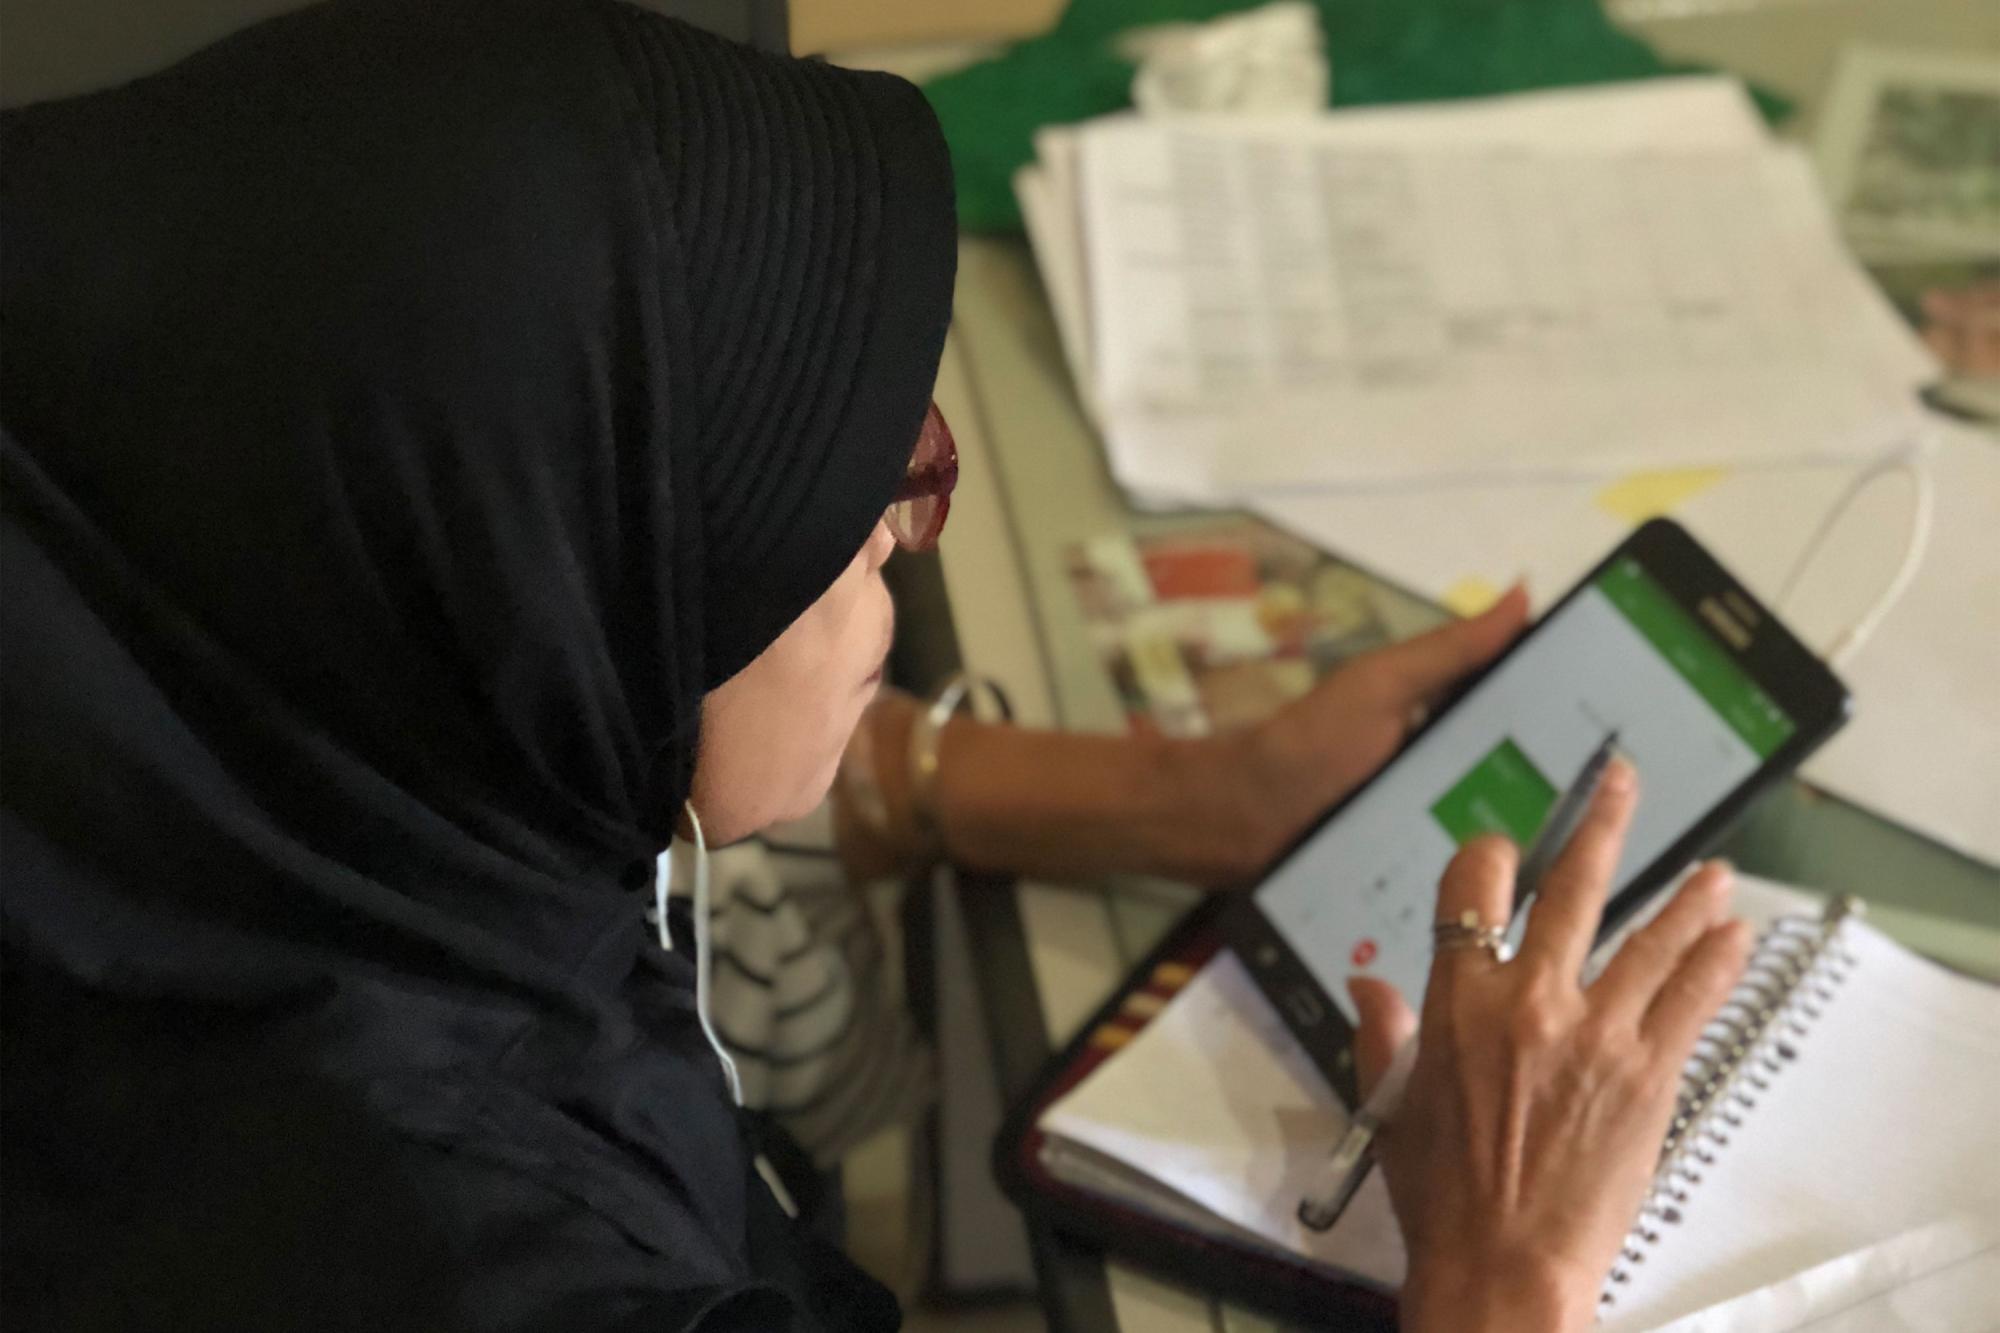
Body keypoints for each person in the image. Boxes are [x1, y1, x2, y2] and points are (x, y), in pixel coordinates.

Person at [0, 3, 1751, 1329]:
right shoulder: (447, 1249)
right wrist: (1502, 1268)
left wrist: (1179, 792)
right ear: (539, 593)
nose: (912, 553)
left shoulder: (248, 768)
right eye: (844, 502)